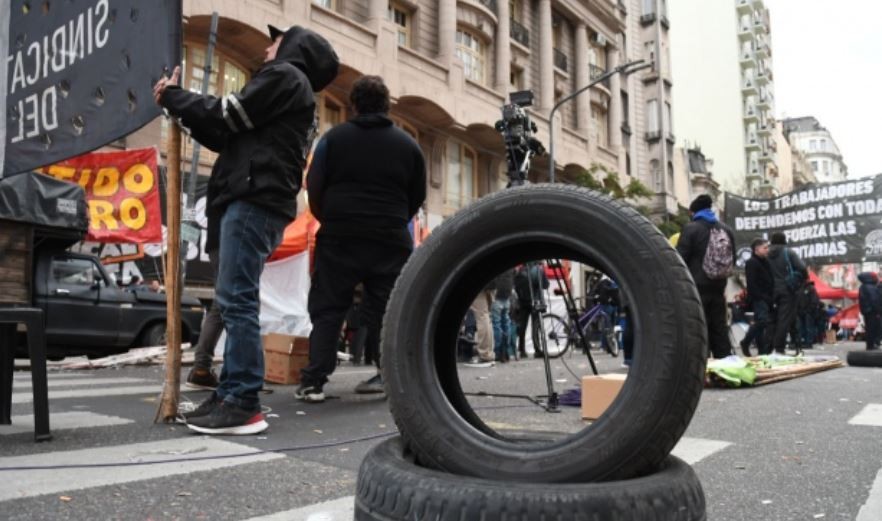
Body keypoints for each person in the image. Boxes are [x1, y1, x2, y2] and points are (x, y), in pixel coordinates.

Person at [155, 25, 339, 434]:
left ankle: (241, 400)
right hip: (252, 199)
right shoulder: (291, 88)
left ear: (295, 48)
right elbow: (226, 132)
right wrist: (180, 107)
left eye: (276, 40)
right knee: (233, 298)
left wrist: (175, 97)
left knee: (236, 301)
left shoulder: (285, 77)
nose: (267, 46)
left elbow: (226, 113)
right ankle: (230, 394)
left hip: (253, 200)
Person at [295, 75, 426, 403]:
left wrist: (332, 218)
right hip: (390, 238)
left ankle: (314, 382)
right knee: (387, 310)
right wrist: (394, 219)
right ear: (386, 105)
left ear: (354, 104)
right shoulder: (408, 145)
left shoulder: (333, 139)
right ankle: (388, 376)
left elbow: (315, 185)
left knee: (328, 307)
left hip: (340, 235)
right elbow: (417, 195)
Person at [676, 194, 736, 359]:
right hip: (719, 284)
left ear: (693, 212)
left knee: (698, 323)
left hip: (697, 285)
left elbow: (680, 259)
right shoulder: (726, 229)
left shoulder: (691, 228)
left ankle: (700, 360)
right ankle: (723, 360)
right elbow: (733, 259)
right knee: (719, 324)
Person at [186, 249, 223, 390]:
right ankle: (238, 375)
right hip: (235, 242)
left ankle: (201, 369)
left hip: (219, 244)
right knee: (239, 305)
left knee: (220, 307)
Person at [766, 232, 808, 355]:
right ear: (784, 240)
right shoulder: (788, 252)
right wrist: (799, 280)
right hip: (787, 289)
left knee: (771, 319)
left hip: (771, 290)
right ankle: (779, 348)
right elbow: (802, 268)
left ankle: (768, 347)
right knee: (784, 319)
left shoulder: (766, 254)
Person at [740, 238, 773, 356]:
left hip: (767, 297)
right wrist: (761, 297)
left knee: (762, 323)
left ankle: (762, 350)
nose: (767, 250)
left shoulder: (766, 261)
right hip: (759, 298)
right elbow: (752, 283)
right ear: (756, 249)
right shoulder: (751, 262)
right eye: (765, 248)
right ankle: (746, 342)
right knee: (762, 321)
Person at [514, 263, 549, 358]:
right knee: (535, 326)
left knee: (522, 326)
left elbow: (516, 286)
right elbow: (546, 285)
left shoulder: (520, 270)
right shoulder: (538, 269)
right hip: (535, 301)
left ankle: (522, 350)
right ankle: (537, 349)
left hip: (523, 302)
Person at [490, 269, 515, 362]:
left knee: (496, 324)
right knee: (506, 324)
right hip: (507, 297)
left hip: (497, 297)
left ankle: (498, 351)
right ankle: (506, 351)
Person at [858, 272, 881, 351]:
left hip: (867, 311)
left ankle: (870, 345)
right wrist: (878, 311)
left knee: (869, 328)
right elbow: (875, 300)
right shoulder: (870, 287)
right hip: (872, 311)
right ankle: (871, 345)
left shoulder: (863, 286)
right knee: (873, 328)